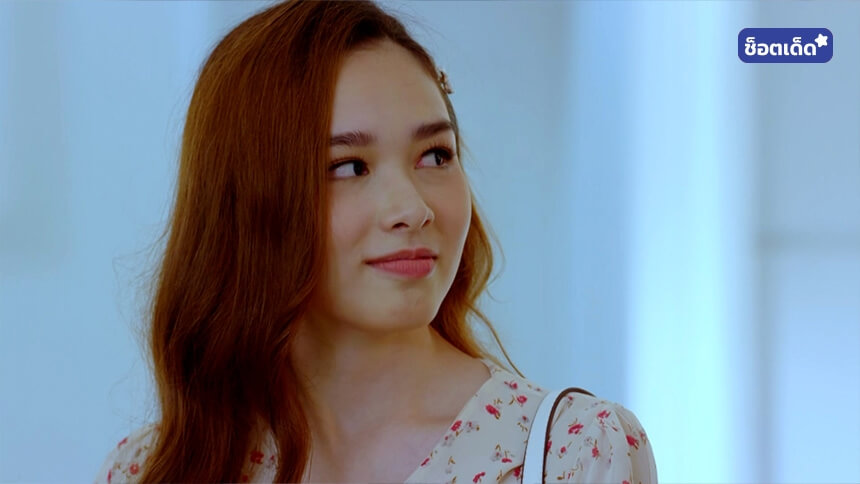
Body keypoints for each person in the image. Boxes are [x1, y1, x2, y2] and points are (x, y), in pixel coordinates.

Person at [94, 1, 657, 483]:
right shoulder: (151, 470)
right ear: (246, 202)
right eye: (349, 167)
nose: (413, 209)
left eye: (435, 155)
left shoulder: (574, 457)